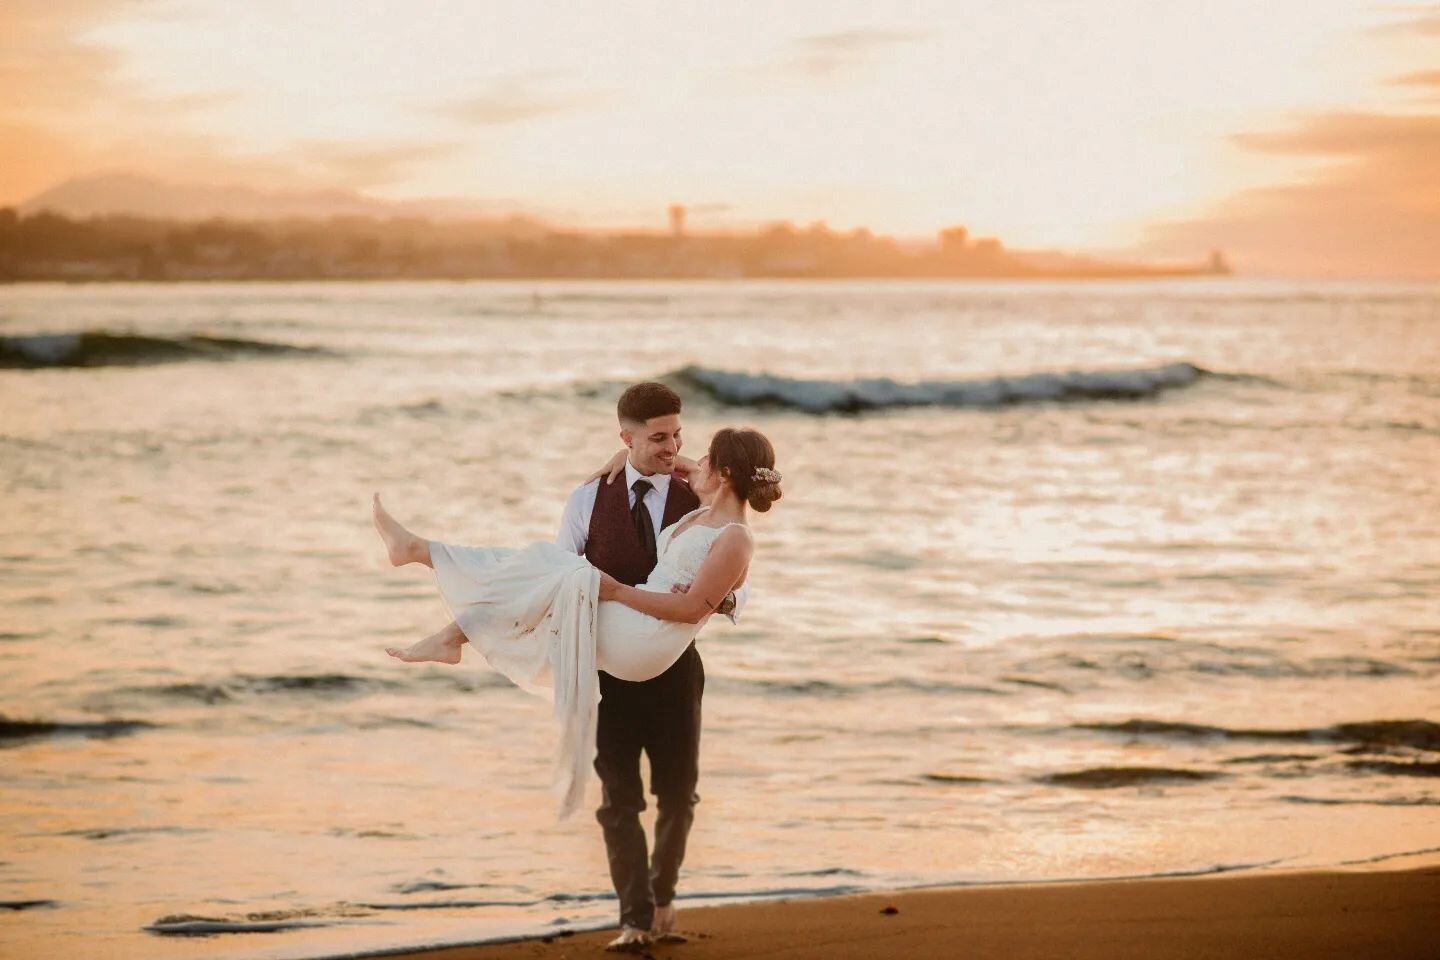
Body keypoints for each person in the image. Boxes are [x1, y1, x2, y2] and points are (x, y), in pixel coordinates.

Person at [371, 387, 781, 951]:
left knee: (678, 794)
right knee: (618, 799)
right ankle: (634, 920)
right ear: (626, 439)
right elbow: (556, 566)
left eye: (679, 437)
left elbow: (738, 582)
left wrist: (716, 600)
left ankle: (663, 902)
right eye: (659, 438)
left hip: (671, 663)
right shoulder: (588, 499)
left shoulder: (702, 498)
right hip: (607, 662)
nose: (676, 449)